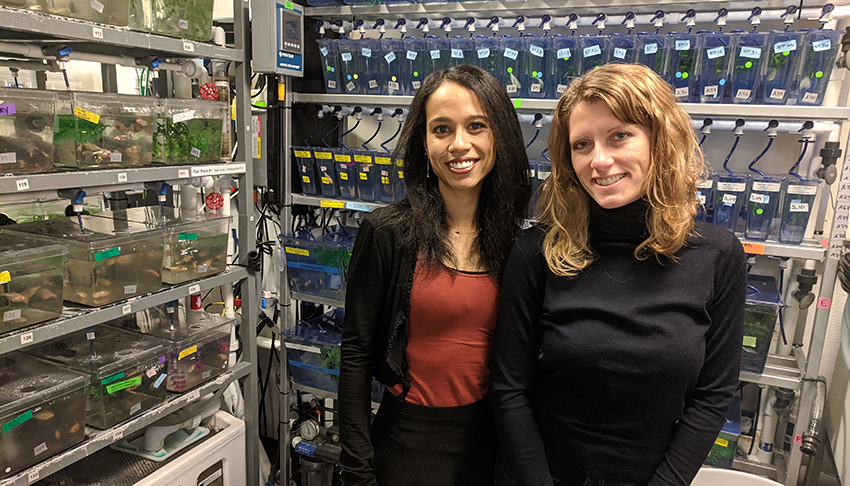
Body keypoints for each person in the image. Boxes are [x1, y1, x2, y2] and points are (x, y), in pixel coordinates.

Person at [490, 63, 746, 486]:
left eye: (619, 136)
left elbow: (712, 395)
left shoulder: (717, 255)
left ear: (659, 139)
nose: (599, 160)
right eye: (582, 145)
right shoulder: (538, 251)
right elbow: (508, 388)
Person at [339, 64, 532, 486]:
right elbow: (355, 354)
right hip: (406, 445)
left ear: (499, 135)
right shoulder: (387, 233)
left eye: (476, 126)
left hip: (491, 445)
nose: (459, 144)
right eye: (441, 129)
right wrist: (356, 467)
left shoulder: (520, 245)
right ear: (424, 144)